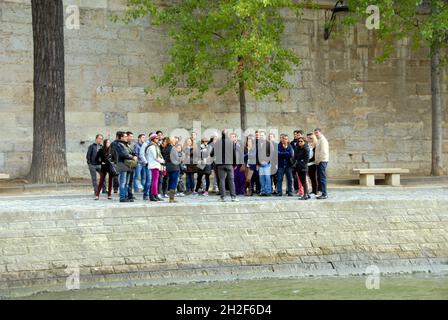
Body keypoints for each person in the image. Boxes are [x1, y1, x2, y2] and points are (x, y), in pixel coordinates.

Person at [210, 130, 238, 202]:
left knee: (221, 180)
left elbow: (211, 154)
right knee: (231, 180)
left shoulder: (217, 142)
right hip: (229, 164)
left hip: (220, 164)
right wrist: (235, 164)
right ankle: (233, 197)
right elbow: (234, 154)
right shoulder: (231, 142)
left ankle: (223, 197)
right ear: (227, 135)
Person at [112, 132, 137, 203]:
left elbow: (131, 152)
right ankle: (122, 197)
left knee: (127, 182)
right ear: (121, 137)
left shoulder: (125, 144)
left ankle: (126, 196)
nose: (127, 137)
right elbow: (123, 154)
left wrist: (134, 155)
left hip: (128, 164)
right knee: (123, 182)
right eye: (125, 136)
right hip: (121, 164)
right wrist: (132, 157)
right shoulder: (118, 144)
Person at [146, 133, 165, 201]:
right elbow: (156, 157)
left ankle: (155, 194)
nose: (158, 139)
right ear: (153, 139)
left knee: (155, 181)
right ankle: (153, 195)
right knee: (154, 181)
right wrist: (162, 161)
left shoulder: (155, 146)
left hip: (156, 165)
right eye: (156, 138)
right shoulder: (152, 147)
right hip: (154, 165)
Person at [161, 137, 181, 203]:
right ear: (172, 141)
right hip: (174, 167)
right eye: (174, 140)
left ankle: (170, 196)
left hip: (168, 167)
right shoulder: (173, 148)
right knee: (174, 182)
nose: (175, 141)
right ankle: (171, 198)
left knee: (169, 181)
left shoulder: (164, 149)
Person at [255, 131, 273, 196]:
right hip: (260, 164)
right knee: (261, 178)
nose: (261, 136)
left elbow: (271, 154)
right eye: (260, 135)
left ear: (265, 136)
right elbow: (256, 154)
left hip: (267, 164)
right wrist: (257, 164)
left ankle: (268, 192)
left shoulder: (269, 143)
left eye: (263, 135)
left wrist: (266, 161)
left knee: (267, 178)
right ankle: (263, 191)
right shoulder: (258, 144)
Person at [293, 136, 310, 200]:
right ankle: (307, 194)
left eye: (301, 141)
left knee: (303, 181)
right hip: (298, 167)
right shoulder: (297, 148)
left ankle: (305, 195)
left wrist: (300, 162)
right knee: (301, 181)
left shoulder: (306, 149)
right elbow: (295, 158)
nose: (300, 142)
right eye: (299, 141)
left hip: (303, 167)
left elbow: (306, 160)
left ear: (304, 142)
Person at [314, 128, 329, 199]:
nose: (316, 134)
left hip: (322, 161)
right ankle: (321, 192)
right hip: (319, 162)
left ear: (320, 132)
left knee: (322, 177)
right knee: (319, 177)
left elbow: (323, 152)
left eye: (317, 133)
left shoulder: (323, 140)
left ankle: (324, 194)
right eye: (315, 133)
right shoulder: (319, 140)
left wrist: (318, 160)